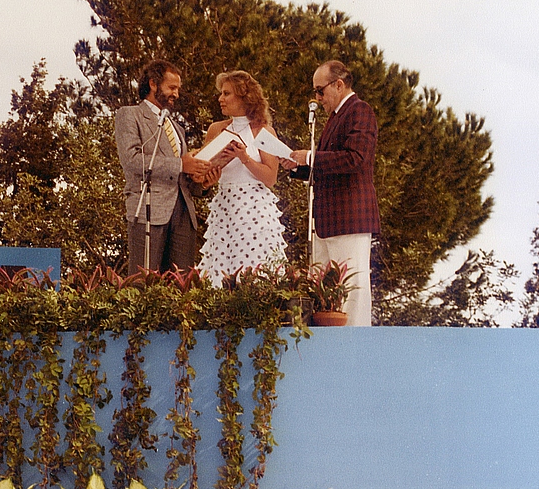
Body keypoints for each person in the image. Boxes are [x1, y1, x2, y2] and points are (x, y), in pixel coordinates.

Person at [286, 60, 380, 326]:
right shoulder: (336, 117)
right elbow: (329, 165)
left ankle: (355, 345)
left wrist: (310, 158)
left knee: (351, 288)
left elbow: (355, 159)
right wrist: (298, 166)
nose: (317, 98)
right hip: (328, 220)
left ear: (338, 85)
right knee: (325, 291)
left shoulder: (359, 111)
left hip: (349, 216)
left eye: (320, 90)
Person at [115, 59, 223, 274]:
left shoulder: (177, 128)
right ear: (153, 84)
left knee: (180, 286)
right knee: (143, 281)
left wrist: (202, 182)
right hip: (148, 211)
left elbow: (182, 175)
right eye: (171, 87)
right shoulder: (130, 115)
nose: (176, 94)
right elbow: (131, 159)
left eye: (177, 89)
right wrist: (181, 164)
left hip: (183, 214)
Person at [196, 71, 288, 284]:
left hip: (254, 211)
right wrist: (208, 178)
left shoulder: (263, 131)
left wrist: (243, 156)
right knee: (221, 274)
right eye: (221, 93)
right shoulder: (216, 129)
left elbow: (270, 178)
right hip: (224, 207)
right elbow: (203, 173)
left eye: (227, 93)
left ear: (244, 97)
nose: (221, 99)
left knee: (253, 272)